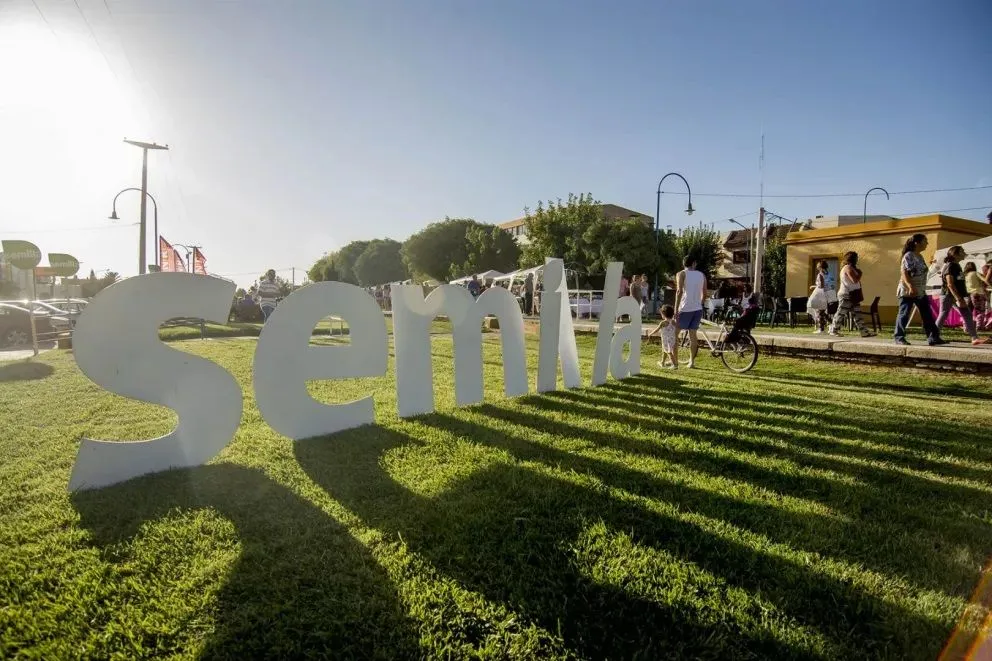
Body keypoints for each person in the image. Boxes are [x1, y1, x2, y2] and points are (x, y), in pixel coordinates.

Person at [893, 233, 945, 346]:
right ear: (917, 243)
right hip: (908, 291)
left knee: (927, 314)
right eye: (925, 241)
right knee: (904, 313)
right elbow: (904, 272)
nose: (927, 243)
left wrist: (934, 268)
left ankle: (933, 337)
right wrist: (910, 286)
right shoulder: (909, 255)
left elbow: (922, 272)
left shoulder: (919, 256)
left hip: (920, 291)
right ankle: (899, 337)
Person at [937, 246, 991, 345]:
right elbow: (950, 284)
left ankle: (975, 338)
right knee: (943, 314)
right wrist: (958, 298)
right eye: (962, 251)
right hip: (949, 295)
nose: (964, 252)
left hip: (957, 296)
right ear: (955, 254)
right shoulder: (951, 265)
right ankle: (933, 336)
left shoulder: (956, 265)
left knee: (967, 314)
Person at [828, 251, 874, 337]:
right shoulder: (847, 268)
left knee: (857, 313)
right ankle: (833, 330)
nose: (857, 260)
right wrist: (860, 274)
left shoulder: (851, 268)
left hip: (853, 295)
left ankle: (864, 332)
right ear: (851, 259)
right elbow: (854, 280)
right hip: (846, 294)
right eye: (856, 258)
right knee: (841, 312)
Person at [675, 255, 706, 368]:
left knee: (674, 334)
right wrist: (700, 303)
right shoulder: (701, 275)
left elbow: (679, 292)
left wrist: (675, 309)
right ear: (693, 263)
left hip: (685, 307)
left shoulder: (681, 274)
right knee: (693, 336)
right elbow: (704, 293)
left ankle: (674, 360)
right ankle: (691, 362)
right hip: (697, 308)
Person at [647, 304, 679, 369]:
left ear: (663, 314)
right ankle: (662, 362)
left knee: (669, 352)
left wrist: (651, 334)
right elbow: (677, 328)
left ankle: (675, 365)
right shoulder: (673, 322)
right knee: (665, 350)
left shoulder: (663, 322)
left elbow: (657, 329)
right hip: (672, 339)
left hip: (666, 340)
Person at [808, 260, 831, 334]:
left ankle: (822, 329)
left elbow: (821, 285)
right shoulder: (829, 274)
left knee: (818, 309)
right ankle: (831, 324)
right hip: (827, 293)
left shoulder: (820, 274)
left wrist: (813, 286)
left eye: (818, 267)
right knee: (822, 311)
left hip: (820, 294)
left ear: (820, 267)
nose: (817, 268)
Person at [964, 261, 988, 331]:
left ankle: (966, 327)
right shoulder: (976, 273)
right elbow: (984, 280)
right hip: (978, 293)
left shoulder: (965, 275)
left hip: (968, 294)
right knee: (980, 311)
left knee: (968, 311)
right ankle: (979, 326)